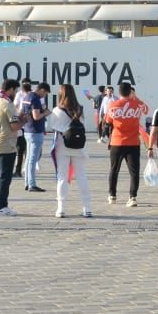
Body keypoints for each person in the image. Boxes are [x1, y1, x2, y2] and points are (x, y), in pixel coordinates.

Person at [51, 84, 93, 218]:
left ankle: (61, 208)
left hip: (62, 146)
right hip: (78, 146)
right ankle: (87, 208)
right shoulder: (79, 109)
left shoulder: (57, 110)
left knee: (62, 177)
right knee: (81, 176)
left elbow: (51, 126)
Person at [104, 82, 148, 207]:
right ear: (130, 92)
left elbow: (108, 121)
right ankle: (133, 197)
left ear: (119, 92)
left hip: (117, 142)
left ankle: (112, 196)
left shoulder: (113, 105)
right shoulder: (138, 104)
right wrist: (136, 97)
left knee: (114, 169)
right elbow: (146, 109)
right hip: (133, 142)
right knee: (134, 172)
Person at [0, 78, 24, 216]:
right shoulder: (7, 104)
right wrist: (23, 120)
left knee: (1, 175)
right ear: (10, 90)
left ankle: (1, 204)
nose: (16, 93)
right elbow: (14, 126)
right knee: (5, 177)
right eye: (15, 90)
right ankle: (0, 206)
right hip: (6, 144)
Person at [23, 83, 51, 190]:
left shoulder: (27, 96)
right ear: (42, 90)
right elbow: (36, 116)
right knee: (33, 160)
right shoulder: (35, 98)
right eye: (45, 93)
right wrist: (46, 113)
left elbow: (23, 112)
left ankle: (27, 183)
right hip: (35, 131)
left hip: (27, 129)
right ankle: (32, 184)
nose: (44, 96)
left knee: (29, 158)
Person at [12, 81, 32, 177]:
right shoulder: (34, 96)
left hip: (22, 125)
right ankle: (21, 170)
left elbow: (15, 109)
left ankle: (19, 170)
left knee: (20, 149)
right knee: (25, 149)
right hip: (30, 126)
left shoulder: (20, 95)